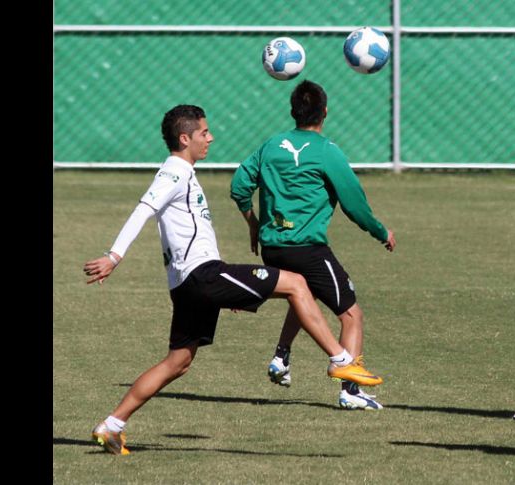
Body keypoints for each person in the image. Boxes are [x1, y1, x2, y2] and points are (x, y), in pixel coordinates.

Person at [84, 105, 383, 455]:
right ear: (185, 138)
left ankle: (112, 425)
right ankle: (340, 360)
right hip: (201, 276)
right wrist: (114, 256)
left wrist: (226, 291)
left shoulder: (183, 173)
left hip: (192, 281)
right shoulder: (174, 173)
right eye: (204, 133)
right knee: (297, 283)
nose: (210, 138)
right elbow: (143, 210)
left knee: (178, 362)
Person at [230, 80, 396, 411]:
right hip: (306, 248)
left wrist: (254, 223)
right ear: (325, 112)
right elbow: (354, 204)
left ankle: (281, 356)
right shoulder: (326, 151)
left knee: (300, 293)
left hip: (272, 247)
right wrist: (381, 232)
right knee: (352, 315)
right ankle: (351, 388)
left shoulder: (271, 145)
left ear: (293, 112)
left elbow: (238, 186)